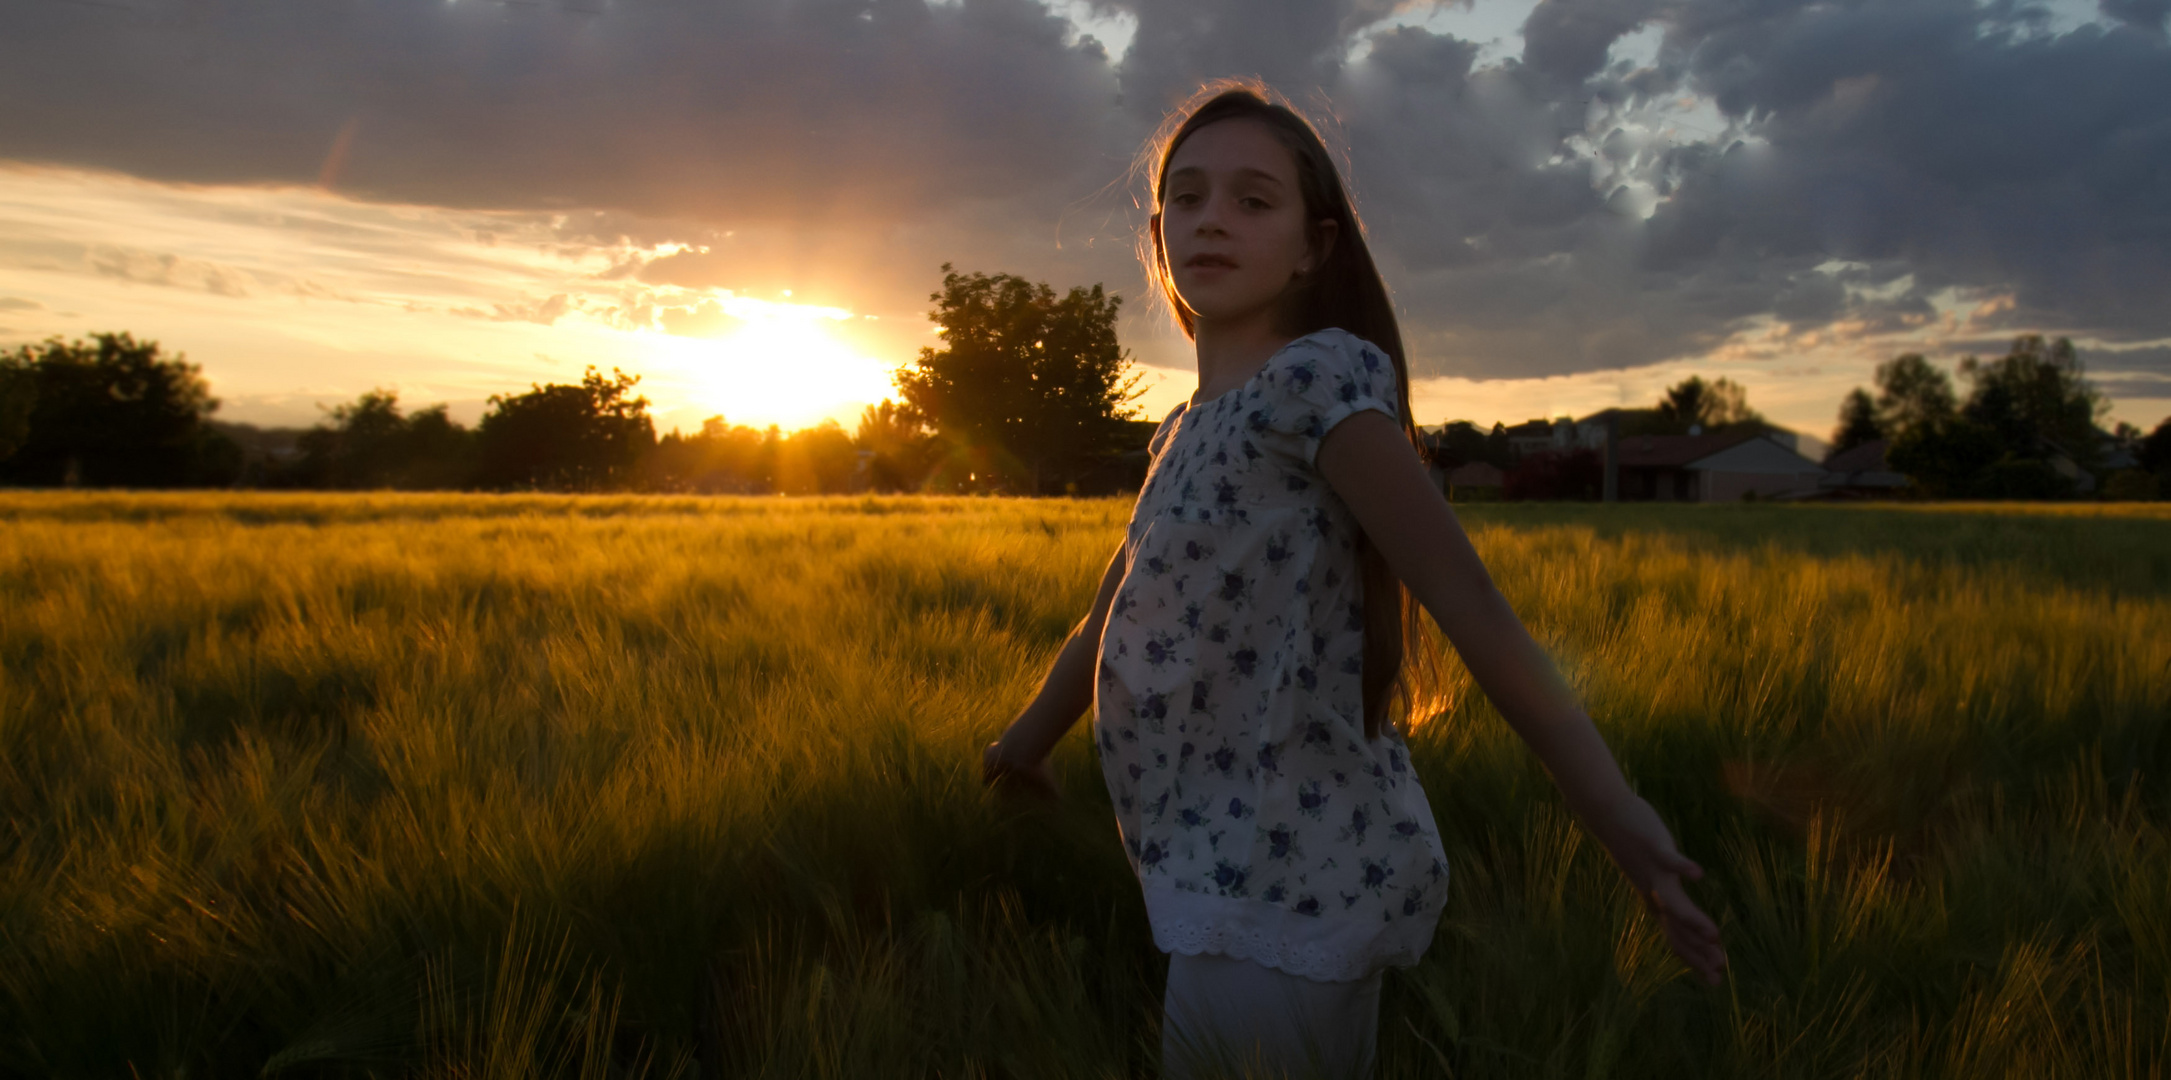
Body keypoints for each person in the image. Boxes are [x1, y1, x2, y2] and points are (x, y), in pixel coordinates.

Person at [981, 81, 1727, 1079]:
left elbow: (1474, 612)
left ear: (1312, 247)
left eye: (1252, 199)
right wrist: (1023, 743)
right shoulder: (1182, 431)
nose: (1212, 218)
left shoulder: (1314, 386)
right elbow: (1110, 612)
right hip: (1216, 862)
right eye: (1188, 198)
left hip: (1289, 872)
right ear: (1157, 237)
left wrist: (1622, 823)